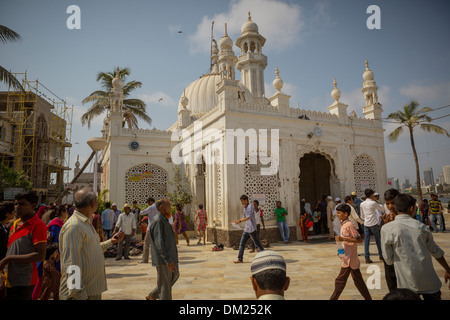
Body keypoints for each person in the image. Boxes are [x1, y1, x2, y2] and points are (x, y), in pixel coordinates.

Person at [59, 187, 124, 300]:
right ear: (92, 203)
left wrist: (110, 242)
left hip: (90, 291)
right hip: (81, 294)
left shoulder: (85, 223)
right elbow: (71, 264)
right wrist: (78, 294)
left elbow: (91, 249)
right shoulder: (75, 226)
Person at [381, 193, 450, 300]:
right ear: (412, 208)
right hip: (429, 281)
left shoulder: (387, 228)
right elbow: (435, 251)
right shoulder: (422, 227)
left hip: (406, 284)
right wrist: (448, 269)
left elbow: (388, 260)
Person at [0, 191, 47, 300]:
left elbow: (40, 255)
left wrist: (8, 259)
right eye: (16, 204)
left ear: (33, 205)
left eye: (22, 204)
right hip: (9, 278)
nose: (17, 207)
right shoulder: (14, 224)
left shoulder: (38, 225)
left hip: (24, 281)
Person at [330, 203, 372, 300]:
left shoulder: (349, 225)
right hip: (347, 258)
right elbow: (342, 243)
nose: (337, 215)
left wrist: (342, 238)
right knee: (358, 282)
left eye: (339, 213)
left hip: (350, 259)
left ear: (345, 214)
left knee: (339, 282)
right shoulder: (343, 224)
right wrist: (340, 252)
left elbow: (359, 240)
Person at [146, 198, 179, 300]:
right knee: (165, 284)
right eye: (169, 206)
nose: (170, 208)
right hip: (163, 260)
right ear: (161, 208)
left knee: (175, 275)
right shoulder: (158, 221)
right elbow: (159, 243)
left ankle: (152, 295)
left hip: (170, 256)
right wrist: (168, 261)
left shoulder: (163, 219)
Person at [234, 195, 265, 263]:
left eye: (242, 200)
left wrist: (240, 221)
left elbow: (248, 217)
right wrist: (237, 221)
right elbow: (244, 217)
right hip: (246, 229)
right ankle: (240, 259)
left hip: (252, 229)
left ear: (245, 200)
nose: (241, 202)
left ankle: (265, 256)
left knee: (257, 244)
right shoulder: (245, 207)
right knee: (242, 243)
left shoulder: (250, 207)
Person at [380, 188, 400, 293]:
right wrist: (386, 224)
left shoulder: (406, 215)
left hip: (401, 256)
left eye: (393, 203)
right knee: (392, 284)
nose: (390, 206)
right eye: (388, 204)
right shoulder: (387, 217)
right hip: (389, 257)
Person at [360, 188, 384, 263]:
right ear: (371, 195)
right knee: (377, 240)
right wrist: (375, 201)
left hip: (366, 223)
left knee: (366, 241)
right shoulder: (373, 203)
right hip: (373, 223)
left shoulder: (362, 203)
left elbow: (362, 216)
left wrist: (365, 219)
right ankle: (381, 255)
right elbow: (382, 208)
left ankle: (367, 257)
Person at [139, 197, 158, 264]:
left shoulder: (151, 208)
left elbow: (142, 213)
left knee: (146, 244)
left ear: (151, 201)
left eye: (148, 202)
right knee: (156, 245)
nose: (148, 204)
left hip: (150, 228)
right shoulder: (159, 207)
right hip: (158, 228)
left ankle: (145, 259)